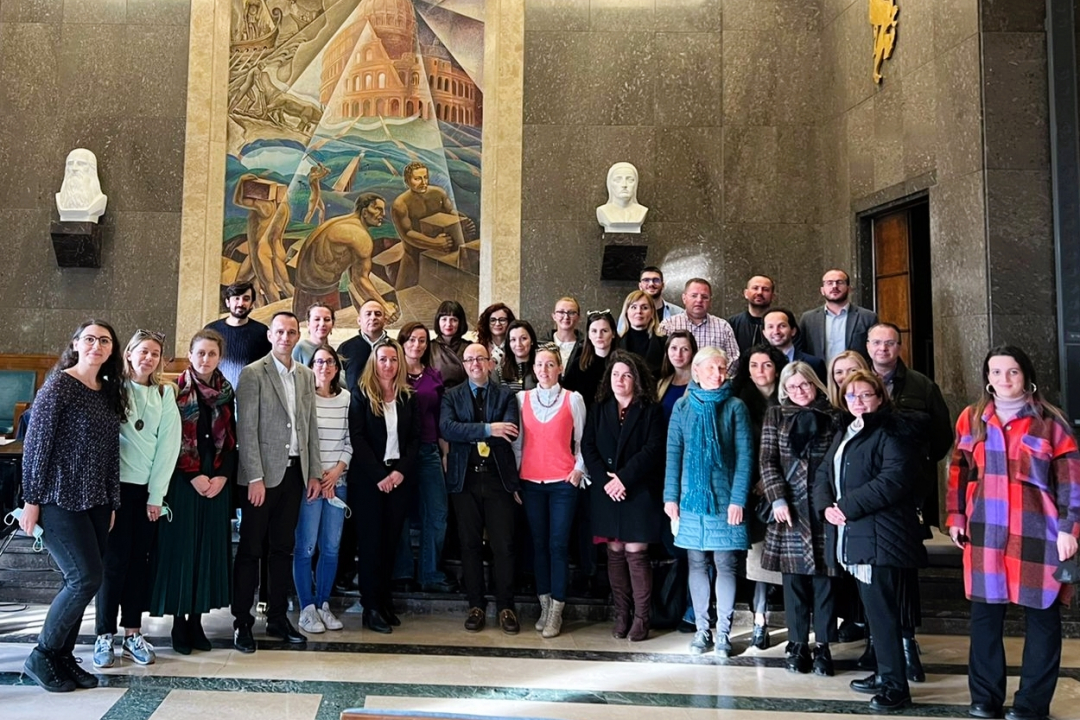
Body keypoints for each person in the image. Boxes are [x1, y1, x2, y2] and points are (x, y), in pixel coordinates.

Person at [947, 347, 1080, 720]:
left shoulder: (1051, 421)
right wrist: (955, 516)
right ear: (986, 377)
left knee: (1042, 619)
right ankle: (985, 699)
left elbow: (1071, 480)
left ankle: (1031, 704)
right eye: (996, 372)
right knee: (985, 619)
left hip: (1039, 534)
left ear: (1026, 374)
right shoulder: (971, 419)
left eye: (1013, 372)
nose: (1004, 380)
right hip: (986, 534)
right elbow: (958, 470)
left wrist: (1070, 528)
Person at [19, 320, 124, 693]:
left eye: (105, 340)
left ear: (112, 350)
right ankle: (42, 655)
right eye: (90, 338)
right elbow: (36, 446)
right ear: (77, 343)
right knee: (84, 578)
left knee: (80, 580)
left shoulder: (108, 390)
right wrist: (31, 500)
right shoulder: (59, 385)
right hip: (57, 497)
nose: (97, 345)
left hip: (96, 499)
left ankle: (63, 656)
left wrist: (112, 500)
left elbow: (112, 453)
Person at [813, 370, 927, 712]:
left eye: (865, 395)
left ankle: (896, 687)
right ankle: (883, 673)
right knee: (876, 615)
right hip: (856, 535)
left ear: (880, 397)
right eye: (851, 396)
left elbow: (892, 480)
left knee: (885, 614)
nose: (858, 402)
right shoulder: (847, 431)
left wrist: (844, 507)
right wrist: (825, 508)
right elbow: (823, 473)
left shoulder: (892, 431)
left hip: (883, 536)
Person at [866, 322, 953, 682]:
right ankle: (877, 643)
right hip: (865, 494)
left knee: (903, 573)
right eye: (876, 343)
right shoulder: (856, 382)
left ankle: (906, 645)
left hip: (906, 496)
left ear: (899, 347)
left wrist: (915, 468)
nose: (883, 349)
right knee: (871, 571)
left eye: (890, 343)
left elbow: (942, 435)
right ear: (867, 345)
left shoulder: (920, 385)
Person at [232, 312, 322, 653]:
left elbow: (308, 426)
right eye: (280, 331)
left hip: (294, 475)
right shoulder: (253, 373)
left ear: (298, 335)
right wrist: (254, 476)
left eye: (291, 331)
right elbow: (246, 429)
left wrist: (313, 472)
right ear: (270, 335)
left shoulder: (305, 375)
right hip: (261, 478)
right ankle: (243, 621)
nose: (286, 336)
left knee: (283, 549)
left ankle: (278, 618)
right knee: (251, 549)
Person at [94, 330, 181, 668]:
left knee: (138, 564)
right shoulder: (110, 388)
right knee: (113, 563)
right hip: (114, 491)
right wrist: (108, 495)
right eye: (143, 351)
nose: (148, 358)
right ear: (129, 353)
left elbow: (168, 446)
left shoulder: (164, 393)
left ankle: (132, 633)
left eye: (155, 353)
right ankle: (104, 635)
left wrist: (156, 495)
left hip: (147, 492)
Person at [150, 329, 237, 655]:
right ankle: (178, 624)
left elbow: (231, 441)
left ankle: (197, 622)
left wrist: (222, 477)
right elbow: (168, 441)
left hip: (216, 486)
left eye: (212, 354)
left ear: (219, 358)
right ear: (190, 354)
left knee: (206, 553)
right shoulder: (174, 391)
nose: (205, 359)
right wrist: (193, 475)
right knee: (181, 553)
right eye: (200, 353)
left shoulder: (226, 392)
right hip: (183, 484)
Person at [663, 347, 753, 658]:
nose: (718, 374)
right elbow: (673, 453)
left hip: (726, 499)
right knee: (697, 563)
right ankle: (702, 630)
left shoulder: (735, 407)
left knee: (726, 565)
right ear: (697, 372)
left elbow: (745, 458)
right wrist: (670, 496)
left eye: (722, 368)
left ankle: (724, 634)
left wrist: (738, 498)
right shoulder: (683, 407)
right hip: (691, 499)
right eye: (711, 368)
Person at [759, 362, 839, 676]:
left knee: (825, 582)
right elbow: (767, 460)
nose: (799, 391)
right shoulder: (776, 415)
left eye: (804, 385)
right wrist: (777, 497)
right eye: (792, 387)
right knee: (793, 583)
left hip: (823, 508)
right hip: (788, 508)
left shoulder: (833, 415)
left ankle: (824, 646)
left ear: (815, 384)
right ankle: (796, 644)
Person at [582, 350, 666, 641]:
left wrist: (624, 479)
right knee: (614, 552)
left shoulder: (650, 409)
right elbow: (587, 446)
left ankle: (642, 618)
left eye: (627, 375)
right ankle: (622, 614)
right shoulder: (599, 407)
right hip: (606, 490)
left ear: (636, 379)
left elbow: (654, 449)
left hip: (638, 490)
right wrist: (605, 481)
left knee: (636, 552)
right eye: (616, 374)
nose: (620, 379)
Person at [440, 343, 522, 634]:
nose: (475, 363)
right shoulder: (451, 396)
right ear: (463, 365)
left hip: (498, 480)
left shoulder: (506, 396)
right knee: (470, 545)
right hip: (465, 480)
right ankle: (476, 605)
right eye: (469, 359)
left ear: (490, 363)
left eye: (480, 359)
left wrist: (473, 430)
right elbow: (448, 429)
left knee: (503, 546)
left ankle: (506, 607)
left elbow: (510, 431)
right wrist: (488, 429)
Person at [513, 343, 587, 638]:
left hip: (562, 484)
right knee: (538, 544)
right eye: (539, 365)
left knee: (558, 545)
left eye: (550, 365)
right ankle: (543, 605)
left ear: (560, 369)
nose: (544, 370)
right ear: (533, 369)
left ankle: (557, 609)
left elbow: (582, 441)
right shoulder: (522, 399)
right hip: (531, 483)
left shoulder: (573, 399)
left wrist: (578, 471)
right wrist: (515, 480)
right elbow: (517, 445)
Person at [349, 339, 420, 633]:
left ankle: (384, 600)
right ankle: (371, 607)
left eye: (393, 359)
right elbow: (358, 438)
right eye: (383, 360)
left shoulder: (407, 396)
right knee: (370, 544)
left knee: (391, 543)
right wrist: (380, 475)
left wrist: (400, 472)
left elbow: (415, 439)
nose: (388, 365)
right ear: (373, 363)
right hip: (369, 480)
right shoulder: (361, 394)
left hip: (398, 479)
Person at [731, 344, 789, 650]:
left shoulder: (791, 395)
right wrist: (755, 481)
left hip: (787, 489)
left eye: (766, 365)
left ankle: (797, 618)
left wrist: (773, 483)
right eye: (754, 366)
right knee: (757, 557)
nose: (760, 372)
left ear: (777, 368)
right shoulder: (740, 401)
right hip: (752, 489)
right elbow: (738, 449)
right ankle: (760, 619)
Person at [293, 345, 352, 635]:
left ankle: (323, 603)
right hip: (311, 484)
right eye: (318, 362)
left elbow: (350, 440)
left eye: (329, 362)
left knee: (331, 548)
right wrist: (316, 476)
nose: (324, 367)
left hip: (337, 483)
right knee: (306, 547)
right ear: (310, 365)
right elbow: (302, 441)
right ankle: (306, 608)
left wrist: (337, 471)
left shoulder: (347, 399)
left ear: (336, 367)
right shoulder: (304, 399)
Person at [398, 322, 455, 593]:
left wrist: (445, 452)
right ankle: (403, 572)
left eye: (422, 341)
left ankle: (430, 573)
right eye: (411, 340)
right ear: (402, 342)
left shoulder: (434, 376)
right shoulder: (392, 373)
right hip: (398, 454)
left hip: (430, 449)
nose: (416, 345)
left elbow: (440, 417)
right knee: (401, 513)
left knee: (437, 512)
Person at [291, 193, 399, 322]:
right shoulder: (360, 236)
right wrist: (384, 306)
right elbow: (359, 279)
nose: (383, 214)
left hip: (302, 292)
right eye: (378, 209)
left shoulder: (338, 222)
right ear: (364, 212)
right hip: (321, 295)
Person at [390, 161, 471, 290]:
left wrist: (463, 220)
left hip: (443, 254)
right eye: (417, 178)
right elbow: (407, 234)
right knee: (408, 296)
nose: (423, 182)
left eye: (425, 177)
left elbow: (450, 212)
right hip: (414, 258)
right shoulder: (400, 204)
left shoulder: (439, 193)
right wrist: (434, 243)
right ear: (407, 180)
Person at [798, 269, 878, 364]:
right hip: (818, 376)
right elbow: (802, 352)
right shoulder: (808, 319)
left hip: (856, 376)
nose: (834, 286)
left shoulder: (867, 317)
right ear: (822, 290)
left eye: (840, 282)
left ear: (849, 289)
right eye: (829, 283)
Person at [659, 278, 740, 369]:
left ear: (710, 302)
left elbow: (734, 359)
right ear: (684, 298)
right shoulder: (668, 325)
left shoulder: (723, 327)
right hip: (677, 380)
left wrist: (717, 377)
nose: (699, 300)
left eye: (704, 297)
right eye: (694, 295)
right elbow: (660, 359)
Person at [205, 281, 272, 389]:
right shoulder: (211, 330)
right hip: (216, 397)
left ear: (252, 304)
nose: (241, 303)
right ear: (227, 302)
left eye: (246, 299)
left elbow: (268, 369)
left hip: (251, 396)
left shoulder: (262, 332)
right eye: (236, 298)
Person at [563, 310, 618, 408]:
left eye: (604, 331)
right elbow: (567, 395)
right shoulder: (578, 364)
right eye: (594, 331)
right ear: (588, 335)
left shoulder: (622, 364)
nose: (599, 336)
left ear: (613, 333)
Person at [338, 299, 390, 392]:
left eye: (378, 314)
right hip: (354, 404)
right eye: (368, 314)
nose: (373, 317)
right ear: (359, 320)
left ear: (385, 320)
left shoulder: (395, 347)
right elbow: (336, 379)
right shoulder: (345, 348)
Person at [763, 308, 827, 383]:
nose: (776, 331)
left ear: (793, 331)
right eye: (770, 327)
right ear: (764, 333)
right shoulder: (760, 366)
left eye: (782, 326)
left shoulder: (814, 363)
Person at [618, 290, 666, 375]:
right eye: (634, 307)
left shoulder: (664, 342)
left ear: (652, 313)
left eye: (644, 308)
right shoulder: (616, 342)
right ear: (626, 312)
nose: (639, 311)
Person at [728, 275, 776, 353]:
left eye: (765, 289)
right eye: (755, 288)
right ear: (746, 293)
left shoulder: (780, 324)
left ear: (773, 296)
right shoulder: (732, 323)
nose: (760, 292)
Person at [657, 330, 698, 420]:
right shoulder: (661, 383)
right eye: (674, 348)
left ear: (693, 353)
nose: (678, 354)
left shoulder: (700, 384)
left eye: (685, 349)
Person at [596, 161, 648, 232]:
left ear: (636, 185)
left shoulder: (642, 211)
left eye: (630, 180)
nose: (624, 185)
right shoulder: (602, 211)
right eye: (618, 180)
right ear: (610, 184)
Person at [431, 300, 469, 388]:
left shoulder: (469, 347)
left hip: (463, 397)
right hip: (437, 398)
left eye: (454, 320)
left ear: (460, 323)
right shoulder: (429, 347)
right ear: (438, 322)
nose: (448, 324)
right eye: (444, 319)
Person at [476, 303, 515, 384]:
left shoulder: (516, 346)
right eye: (493, 320)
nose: (497, 324)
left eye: (502, 320)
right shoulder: (479, 347)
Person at [503, 320, 538, 393]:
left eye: (523, 338)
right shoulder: (499, 371)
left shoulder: (541, 367)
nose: (518, 344)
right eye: (513, 340)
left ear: (532, 341)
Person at [547, 297, 584, 368]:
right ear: (554, 316)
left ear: (578, 317)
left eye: (571, 313)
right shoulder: (541, 344)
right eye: (561, 312)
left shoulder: (586, 347)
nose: (566, 317)